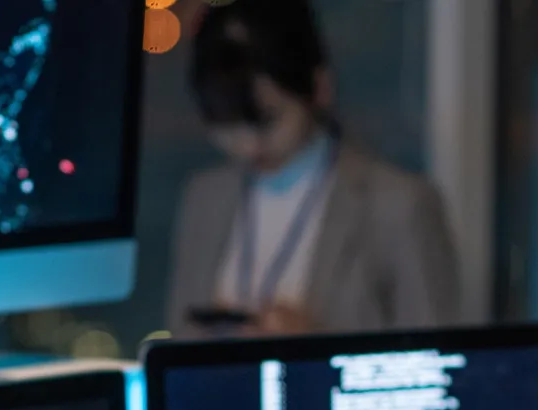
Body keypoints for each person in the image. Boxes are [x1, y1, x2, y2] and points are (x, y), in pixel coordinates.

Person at [165, 0, 460, 339]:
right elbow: (180, 342)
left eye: (268, 121)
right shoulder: (205, 198)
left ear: (319, 88)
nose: (249, 146)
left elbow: (433, 366)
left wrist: (314, 349)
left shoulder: (399, 205)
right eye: (228, 126)